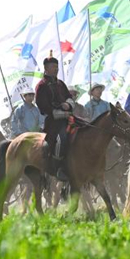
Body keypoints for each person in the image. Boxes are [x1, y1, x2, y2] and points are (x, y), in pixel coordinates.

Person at [35, 52, 75, 181]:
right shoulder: (42, 86)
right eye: (53, 66)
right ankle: (57, 168)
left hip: (68, 118)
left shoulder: (61, 84)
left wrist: (67, 106)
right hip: (53, 121)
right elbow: (43, 106)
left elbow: (69, 97)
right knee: (61, 138)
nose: (56, 69)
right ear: (46, 68)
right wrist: (59, 111)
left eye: (57, 66)